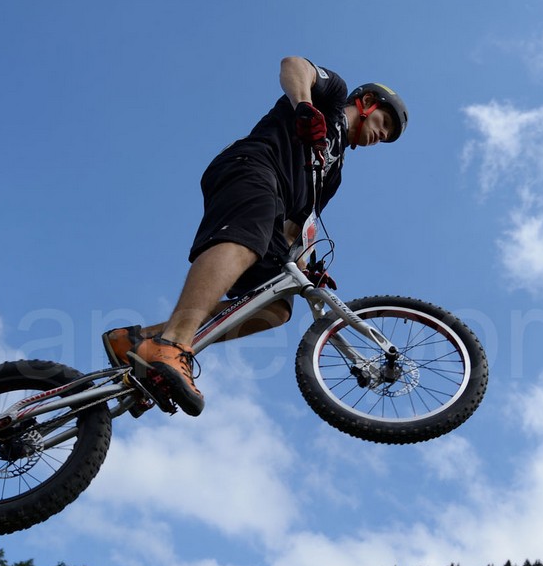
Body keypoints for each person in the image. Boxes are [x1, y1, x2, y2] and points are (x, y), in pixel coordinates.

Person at [101, 56, 408, 416]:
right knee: (251, 236)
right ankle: (174, 343)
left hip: (276, 211)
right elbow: (294, 64)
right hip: (255, 167)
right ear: (367, 102)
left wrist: (304, 270)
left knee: (275, 307)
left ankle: (139, 341)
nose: (382, 136)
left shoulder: (334, 172)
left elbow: (297, 225)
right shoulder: (332, 98)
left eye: (388, 137)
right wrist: (304, 107)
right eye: (385, 123)